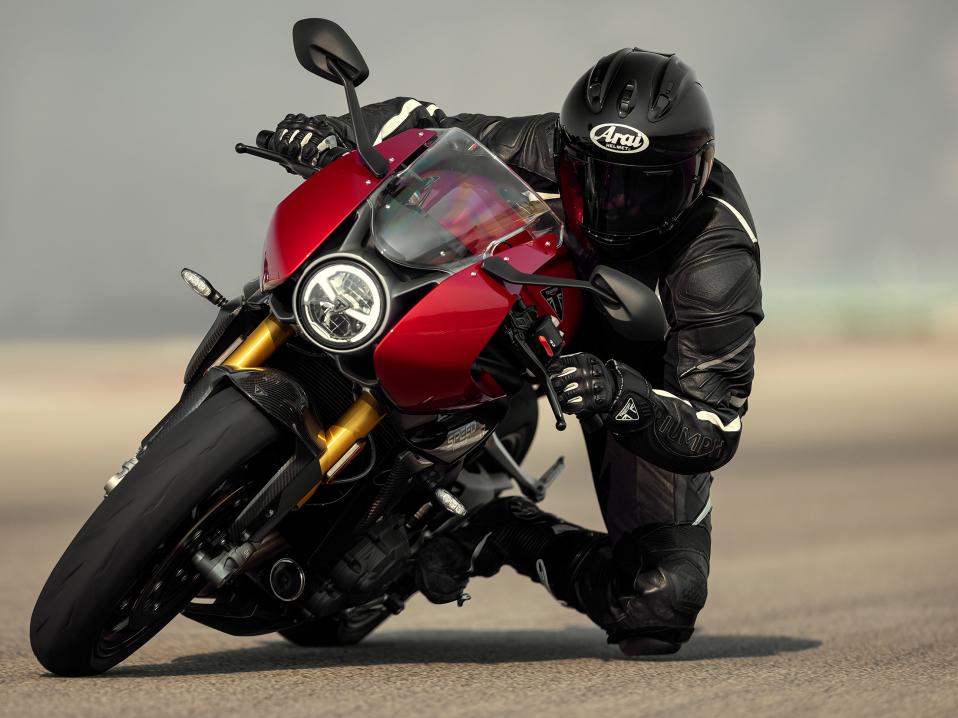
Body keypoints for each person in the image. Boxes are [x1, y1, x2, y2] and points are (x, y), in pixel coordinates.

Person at [268, 48, 763, 656]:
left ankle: (502, 530)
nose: (617, 203)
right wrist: (332, 133)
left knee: (660, 597)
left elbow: (714, 426)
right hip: (520, 302)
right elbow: (424, 127)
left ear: (697, 173)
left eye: (648, 187)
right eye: (596, 176)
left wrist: (623, 396)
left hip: (628, 368)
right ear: (568, 148)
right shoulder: (542, 145)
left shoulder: (718, 256)